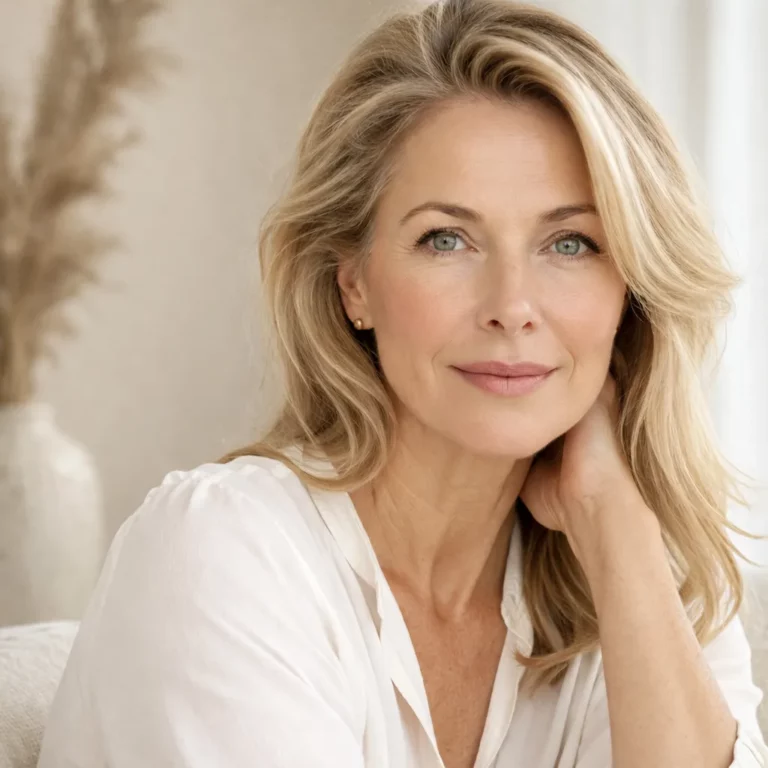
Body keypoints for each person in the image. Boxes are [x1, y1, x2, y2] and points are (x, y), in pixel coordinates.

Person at [38, 0, 768, 766]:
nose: (512, 307)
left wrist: (617, 531)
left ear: (631, 288)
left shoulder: (647, 577)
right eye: (446, 238)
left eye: (570, 242)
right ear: (352, 280)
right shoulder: (225, 558)